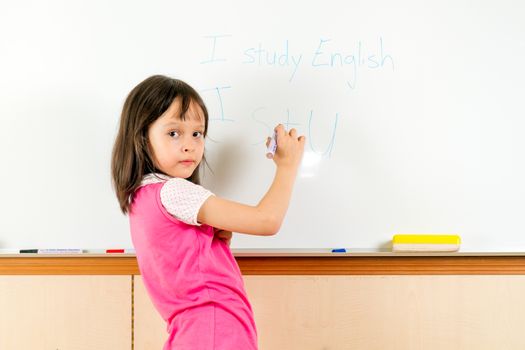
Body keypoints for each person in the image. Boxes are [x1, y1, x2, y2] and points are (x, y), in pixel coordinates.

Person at [111, 75, 305, 349]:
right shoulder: (174, 191)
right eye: (173, 133)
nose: (189, 144)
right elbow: (267, 220)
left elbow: (186, 262)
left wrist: (217, 243)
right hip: (215, 328)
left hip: (196, 332)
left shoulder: (142, 196)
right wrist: (287, 166)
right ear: (142, 137)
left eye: (197, 133)